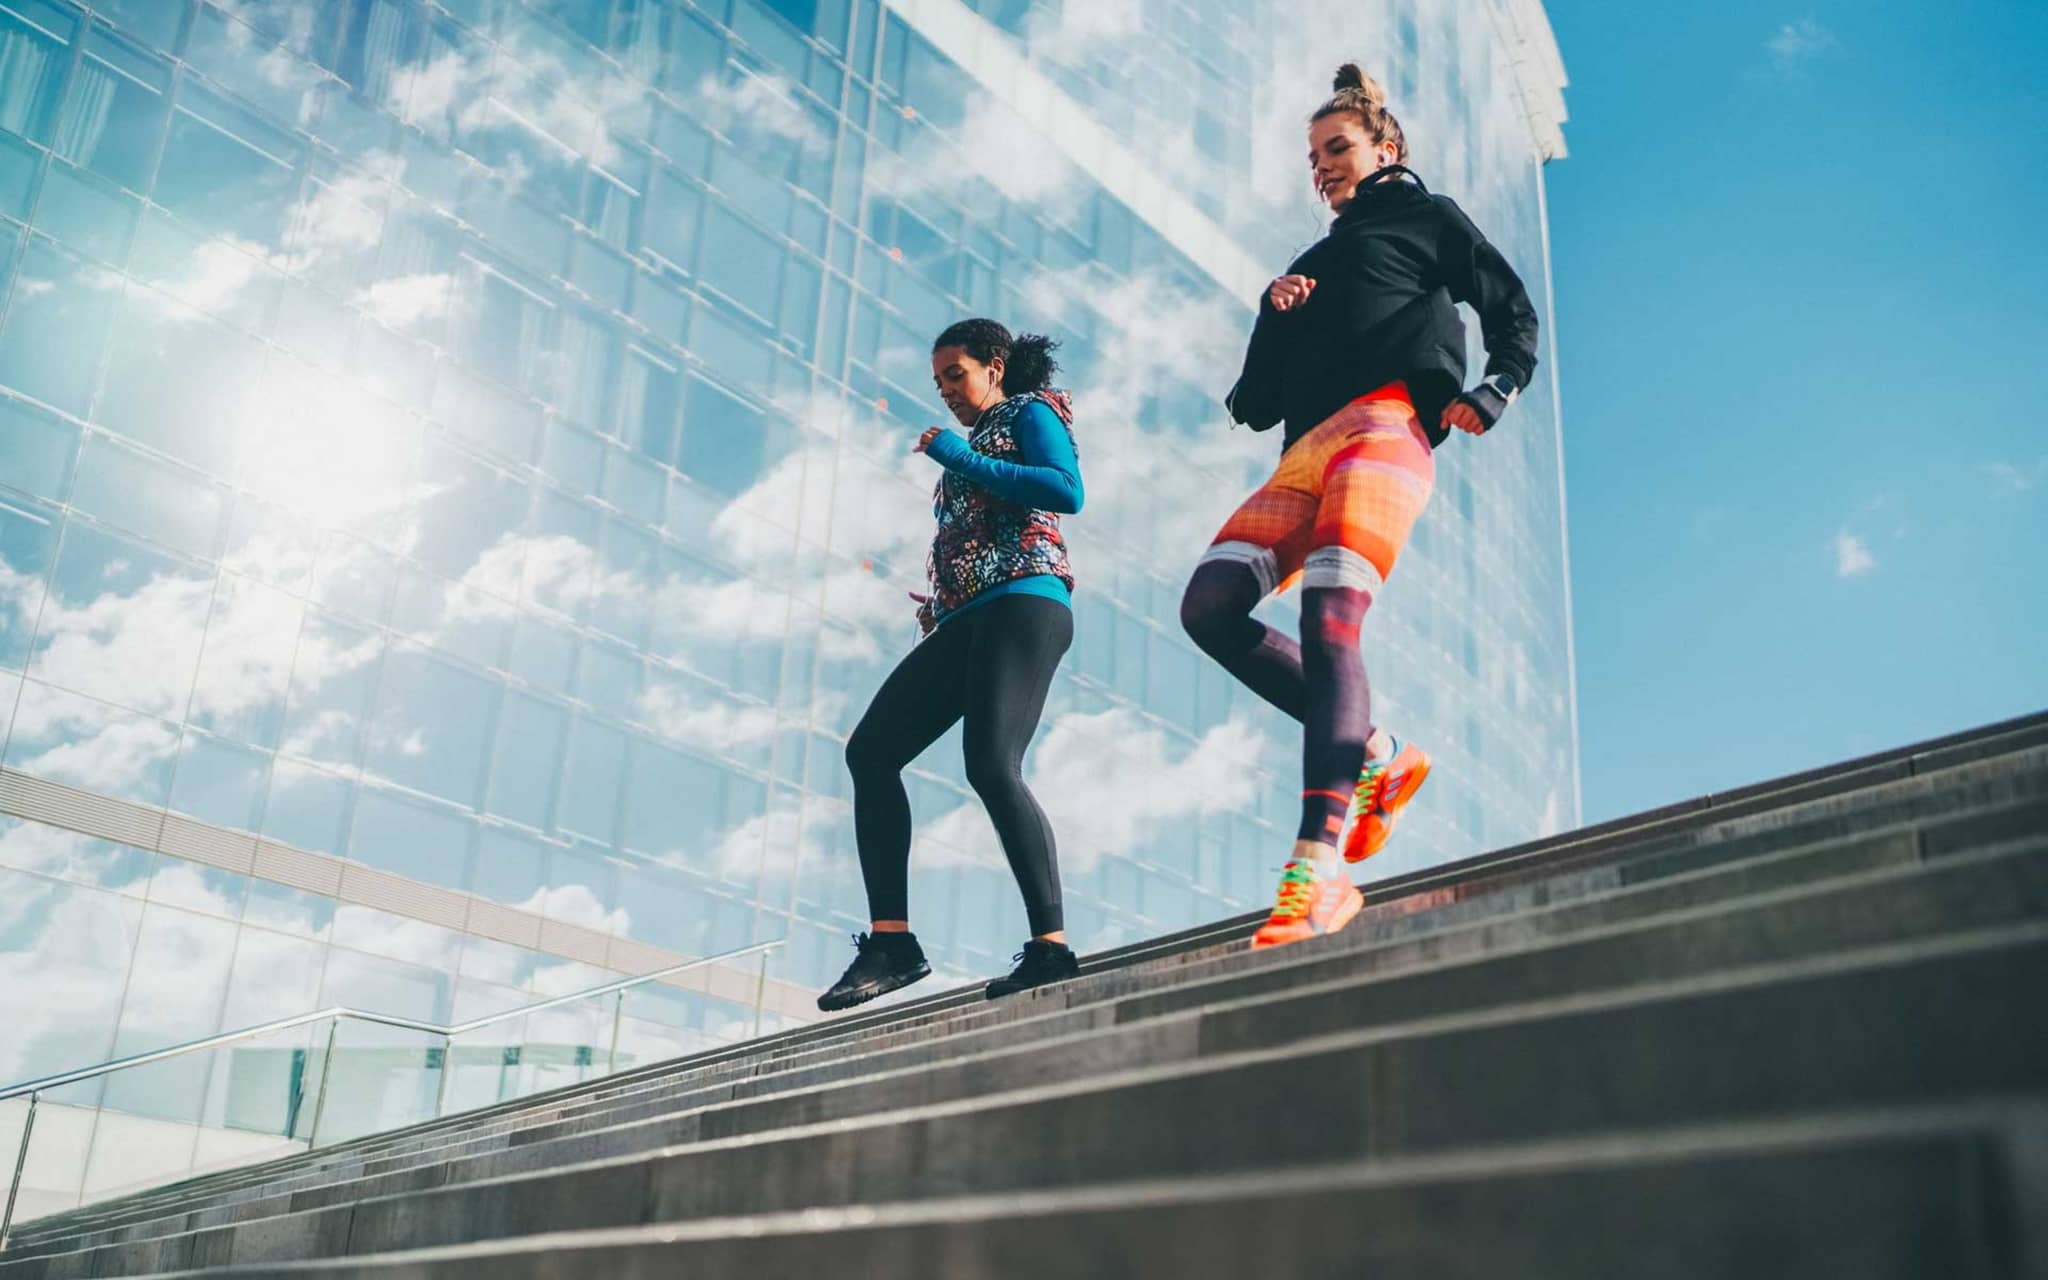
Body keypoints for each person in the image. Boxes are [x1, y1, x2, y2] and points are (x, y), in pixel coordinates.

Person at [1182, 63, 1540, 949]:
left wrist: (1495, 388)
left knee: (1328, 621)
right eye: (1312, 159)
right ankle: (1380, 754)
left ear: (1386, 148)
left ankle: (1319, 867)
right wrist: (1275, 310)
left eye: (1335, 149)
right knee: (1209, 607)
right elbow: (1254, 401)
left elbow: (1513, 311)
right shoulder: (1308, 265)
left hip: (1385, 433)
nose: (1322, 168)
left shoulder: (1427, 219)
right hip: (1304, 453)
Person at [818, 319, 1087, 1010]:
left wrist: (953, 456)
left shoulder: (1033, 412)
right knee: (871, 753)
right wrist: (944, 597)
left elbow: (1064, 490)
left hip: (1027, 603)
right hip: (969, 616)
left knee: (991, 764)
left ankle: (1050, 947)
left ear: (994, 367)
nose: (945, 393)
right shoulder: (971, 442)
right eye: (937, 383)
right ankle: (892, 945)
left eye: (954, 375)